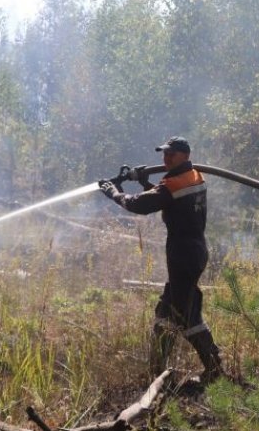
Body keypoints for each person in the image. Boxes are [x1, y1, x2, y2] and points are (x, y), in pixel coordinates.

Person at [97, 136, 224, 382]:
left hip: (184, 255)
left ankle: (215, 370)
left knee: (187, 316)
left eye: (171, 155)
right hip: (192, 251)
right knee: (166, 312)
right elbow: (168, 200)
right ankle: (157, 371)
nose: (166, 159)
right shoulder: (194, 176)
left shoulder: (174, 184)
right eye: (164, 154)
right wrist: (146, 183)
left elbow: (140, 205)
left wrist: (114, 193)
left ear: (185, 156)